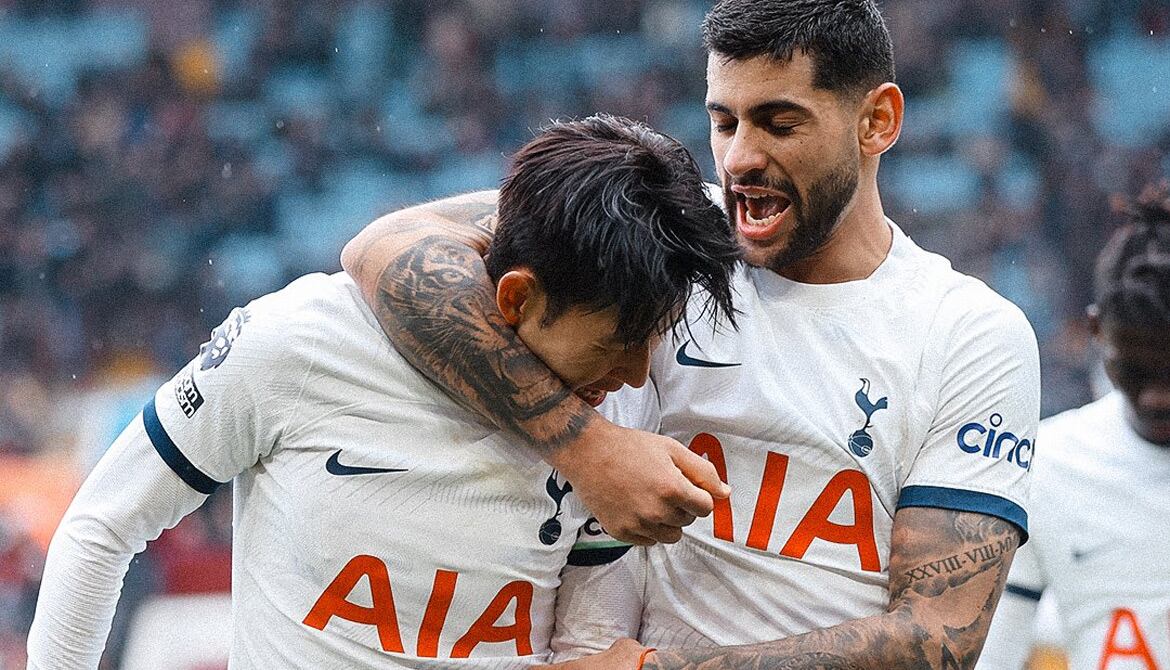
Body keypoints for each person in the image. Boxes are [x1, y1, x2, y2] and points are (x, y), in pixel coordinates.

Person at [341, 1, 1042, 668]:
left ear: (877, 121)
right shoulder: (669, 241)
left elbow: (937, 640)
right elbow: (384, 249)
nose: (739, 157)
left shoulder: (968, 335)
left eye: (780, 123)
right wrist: (587, 447)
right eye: (725, 121)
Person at [25, 114, 740, 669]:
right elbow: (101, 527)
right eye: (615, 345)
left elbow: (584, 645)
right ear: (518, 298)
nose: (638, 375)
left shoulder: (614, 426)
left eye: (653, 342)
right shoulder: (301, 342)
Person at [978, 184, 1170, 670]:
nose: (1157, 396)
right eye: (1136, 369)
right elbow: (992, 656)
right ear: (1095, 330)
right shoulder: (1046, 466)